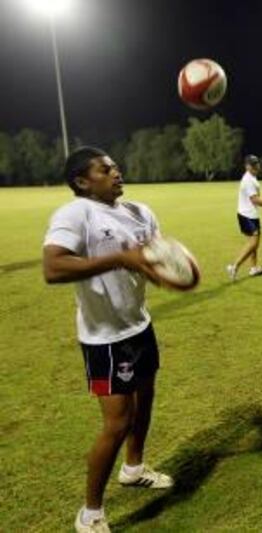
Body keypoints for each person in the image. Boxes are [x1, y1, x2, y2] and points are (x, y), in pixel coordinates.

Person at [43, 147, 174, 533]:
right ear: (83, 181)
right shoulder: (76, 214)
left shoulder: (140, 212)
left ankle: (134, 468)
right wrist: (120, 259)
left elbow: (151, 258)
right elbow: (53, 267)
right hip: (104, 340)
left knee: (145, 398)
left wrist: (163, 269)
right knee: (117, 423)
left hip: (139, 325)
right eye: (105, 169)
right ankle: (90, 513)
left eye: (116, 166)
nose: (116, 172)